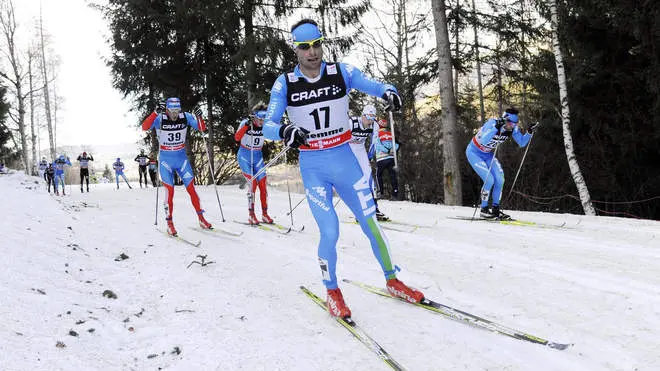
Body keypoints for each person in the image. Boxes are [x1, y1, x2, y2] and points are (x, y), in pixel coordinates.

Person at [262, 19, 423, 318]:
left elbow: (374, 85)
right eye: (304, 47)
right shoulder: (285, 83)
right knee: (330, 231)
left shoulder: (341, 72)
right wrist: (285, 131)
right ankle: (332, 290)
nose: (312, 52)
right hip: (313, 167)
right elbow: (268, 125)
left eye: (316, 44)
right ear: (296, 49)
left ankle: (393, 279)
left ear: (322, 43)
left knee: (371, 223)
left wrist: (388, 90)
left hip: (345, 160)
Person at [141, 97, 212, 236]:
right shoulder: (160, 118)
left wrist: (199, 117)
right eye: (172, 111)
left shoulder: (185, 116)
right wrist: (155, 113)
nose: (174, 114)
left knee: (191, 189)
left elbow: (202, 128)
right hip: (166, 161)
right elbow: (144, 127)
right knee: (170, 192)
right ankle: (169, 223)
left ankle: (201, 219)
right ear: (167, 109)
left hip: (181, 160)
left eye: (177, 110)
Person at [466, 107, 538, 220]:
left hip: (488, 154)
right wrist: (496, 128)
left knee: (500, 179)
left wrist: (529, 132)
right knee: (489, 179)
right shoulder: (492, 123)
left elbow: (522, 143)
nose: (513, 126)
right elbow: (484, 141)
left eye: (515, 124)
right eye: (511, 123)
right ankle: (484, 209)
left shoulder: (513, 129)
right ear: (504, 119)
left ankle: (495, 209)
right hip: (474, 153)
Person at [234, 102, 274, 225]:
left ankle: (265, 214)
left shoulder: (266, 125)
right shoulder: (246, 123)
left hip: (257, 156)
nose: (261, 123)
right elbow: (237, 137)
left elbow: (275, 134)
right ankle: (251, 215)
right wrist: (246, 125)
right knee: (253, 184)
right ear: (254, 117)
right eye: (259, 120)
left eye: (263, 120)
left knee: (262, 184)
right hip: (245, 156)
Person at [349, 104, 389, 221]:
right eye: (368, 118)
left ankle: (373, 207)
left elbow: (374, 142)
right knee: (353, 179)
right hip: (347, 148)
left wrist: (370, 156)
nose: (370, 121)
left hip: (360, 148)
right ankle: (358, 208)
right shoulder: (352, 122)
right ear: (363, 115)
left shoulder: (374, 125)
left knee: (368, 175)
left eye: (373, 118)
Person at [374, 118, 400, 200]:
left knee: (378, 175)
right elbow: (397, 145)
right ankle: (395, 194)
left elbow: (377, 144)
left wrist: (386, 150)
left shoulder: (377, 133)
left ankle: (381, 193)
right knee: (392, 176)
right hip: (391, 158)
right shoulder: (390, 133)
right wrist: (392, 150)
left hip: (381, 158)